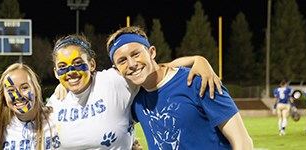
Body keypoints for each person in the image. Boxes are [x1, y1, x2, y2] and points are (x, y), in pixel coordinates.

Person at [46, 33, 221, 149]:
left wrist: (197, 60)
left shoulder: (113, 81)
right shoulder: (55, 101)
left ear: (92, 64)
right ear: (55, 72)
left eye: (78, 63)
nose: (71, 71)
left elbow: (156, 70)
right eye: (62, 67)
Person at [105, 26, 252, 149]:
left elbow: (243, 142)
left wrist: (199, 59)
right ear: (117, 69)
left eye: (136, 54)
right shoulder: (134, 99)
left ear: (152, 52)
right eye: (122, 61)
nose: (131, 64)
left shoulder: (197, 82)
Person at [0, 63, 58, 150]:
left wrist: (63, 87)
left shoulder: (55, 117)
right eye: (11, 90)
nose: (18, 96)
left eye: (24, 88)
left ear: (36, 90)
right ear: (4, 96)